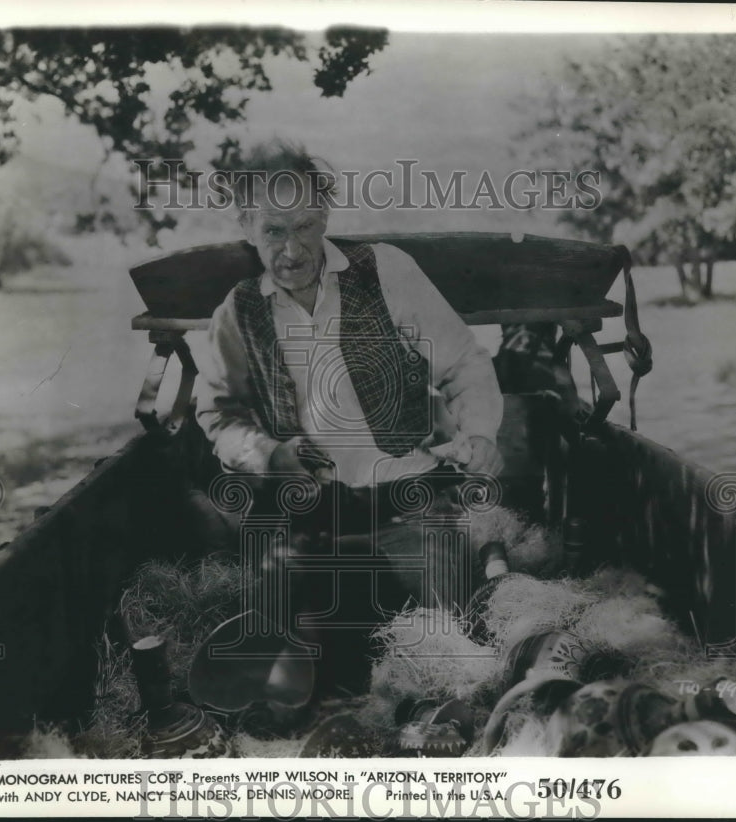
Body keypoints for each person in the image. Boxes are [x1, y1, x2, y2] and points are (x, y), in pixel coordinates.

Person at [192, 140, 504, 692]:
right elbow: (219, 414)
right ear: (246, 225)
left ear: (325, 213)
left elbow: (464, 362)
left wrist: (479, 433)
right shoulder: (237, 312)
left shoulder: (386, 270)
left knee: (457, 660)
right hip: (307, 519)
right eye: (273, 231)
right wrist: (267, 455)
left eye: (307, 225)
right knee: (287, 670)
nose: (293, 249)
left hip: (411, 503)